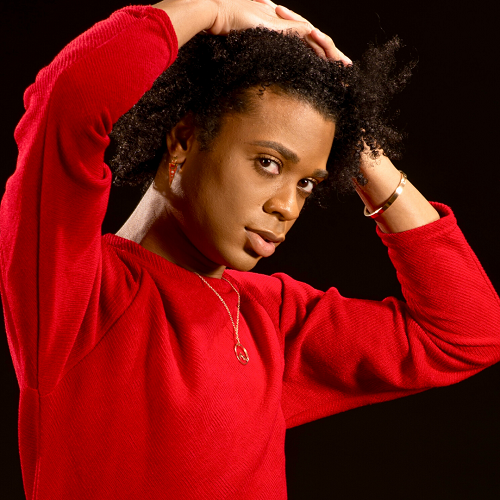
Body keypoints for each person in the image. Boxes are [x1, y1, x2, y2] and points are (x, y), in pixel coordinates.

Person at [0, 0, 499, 499]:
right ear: (183, 141)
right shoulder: (75, 295)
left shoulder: (270, 319)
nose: (287, 206)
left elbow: (469, 333)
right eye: (268, 163)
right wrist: (210, 10)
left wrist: (360, 144)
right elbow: (70, 98)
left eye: (307, 183)